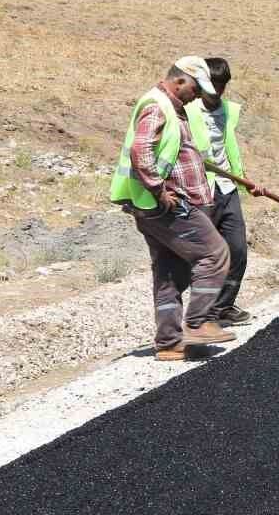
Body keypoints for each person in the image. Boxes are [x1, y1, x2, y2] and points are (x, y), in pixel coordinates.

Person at [109, 56, 235, 360]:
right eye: (194, 88)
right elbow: (142, 149)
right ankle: (197, 322)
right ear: (179, 80)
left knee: (169, 271)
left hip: (151, 207)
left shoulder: (172, 108)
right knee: (215, 254)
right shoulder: (157, 105)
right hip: (168, 205)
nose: (197, 96)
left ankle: (168, 342)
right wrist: (159, 189)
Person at [185, 57, 265, 325]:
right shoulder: (188, 110)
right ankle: (200, 315)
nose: (217, 91)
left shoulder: (228, 111)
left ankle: (223, 306)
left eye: (222, 85)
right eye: (213, 85)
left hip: (227, 187)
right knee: (207, 255)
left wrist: (244, 180)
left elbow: (229, 148)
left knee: (238, 249)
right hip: (200, 189)